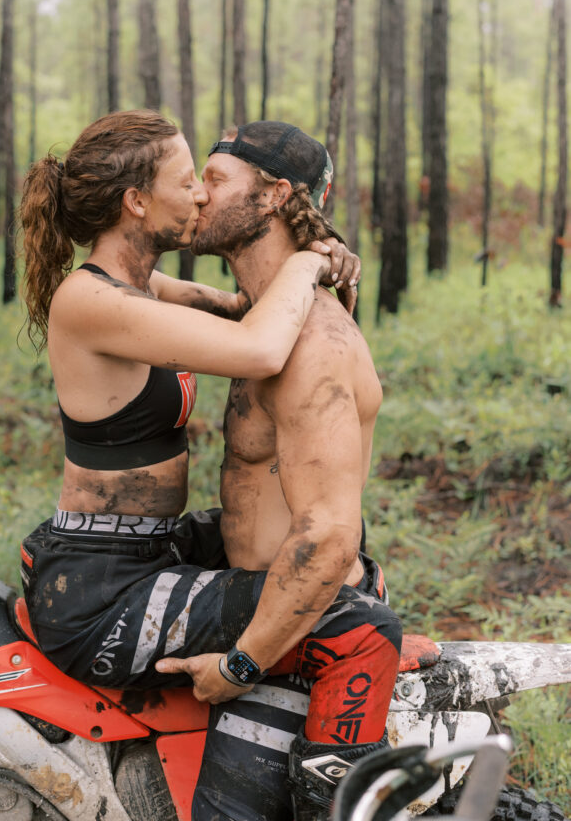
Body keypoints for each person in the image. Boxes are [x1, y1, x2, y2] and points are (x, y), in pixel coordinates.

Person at [18, 109, 358, 699]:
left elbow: (245, 308)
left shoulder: (144, 289)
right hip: (101, 583)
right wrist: (309, 261)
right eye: (186, 182)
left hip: (151, 543)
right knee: (337, 600)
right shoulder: (89, 300)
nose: (201, 195)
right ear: (137, 203)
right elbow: (258, 347)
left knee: (317, 558)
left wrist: (317, 258)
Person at [155, 121, 402, 821]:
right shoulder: (260, 318)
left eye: (218, 180)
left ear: (273, 197)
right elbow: (134, 285)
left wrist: (241, 665)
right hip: (258, 597)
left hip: (297, 621)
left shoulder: (313, 343)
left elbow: (328, 534)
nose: (200, 194)